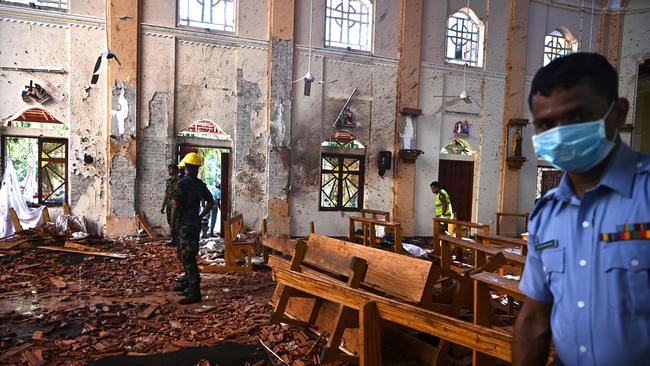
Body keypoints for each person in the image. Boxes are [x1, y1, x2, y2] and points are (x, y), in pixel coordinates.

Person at [513, 53, 650, 366]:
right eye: (546, 124)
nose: (560, 132)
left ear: (617, 113)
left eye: (576, 117)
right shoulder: (546, 214)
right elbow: (535, 320)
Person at [170, 152, 214, 305]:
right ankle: (189, 285)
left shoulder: (181, 183)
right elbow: (210, 202)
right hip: (194, 224)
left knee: (187, 257)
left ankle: (195, 292)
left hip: (184, 224)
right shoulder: (200, 184)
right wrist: (200, 215)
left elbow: (175, 206)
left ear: (186, 167)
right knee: (186, 255)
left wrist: (172, 226)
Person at [161, 164, 179, 245]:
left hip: (177, 205)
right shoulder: (168, 181)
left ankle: (179, 240)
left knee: (176, 222)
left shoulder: (180, 181)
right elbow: (166, 194)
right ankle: (173, 240)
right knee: (170, 221)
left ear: (176, 170)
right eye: (168, 169)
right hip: (169, 205)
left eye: (171, 169)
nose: (169, 171)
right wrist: (163, 206)